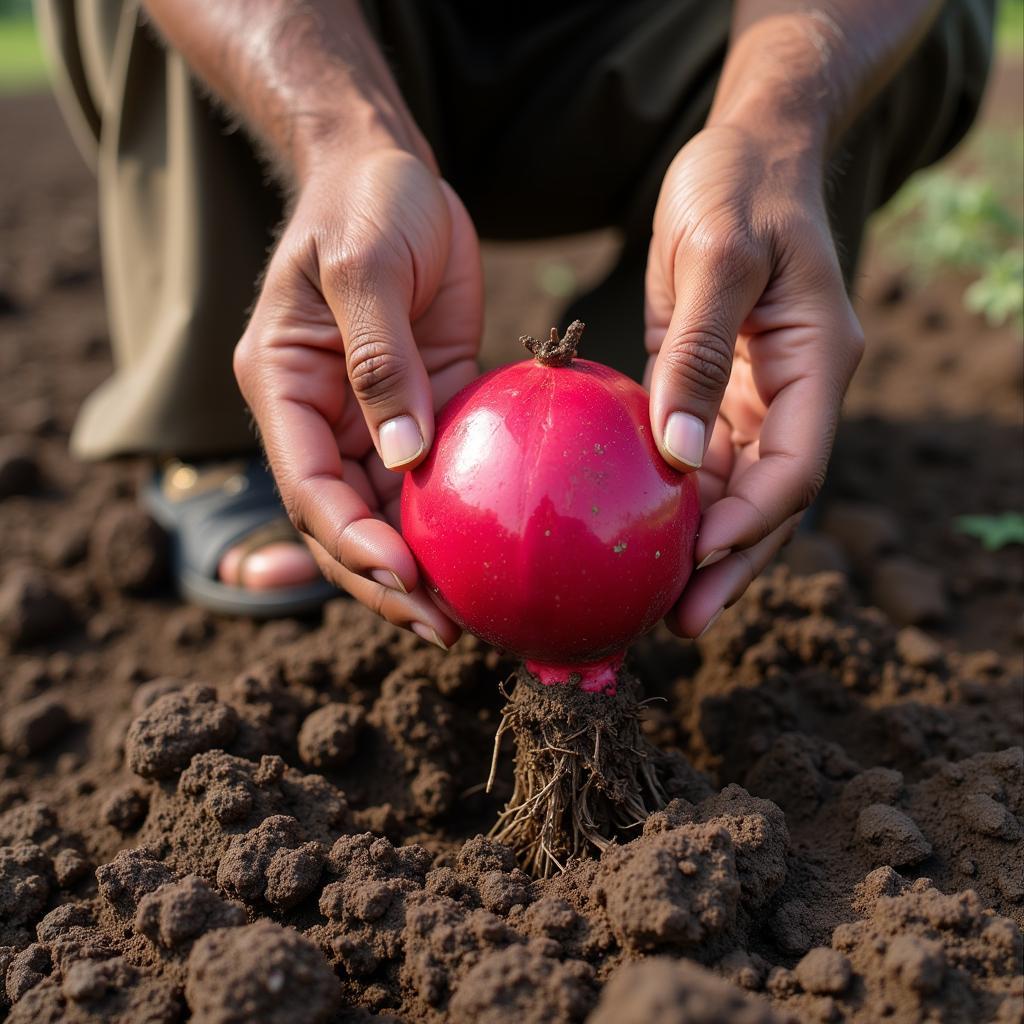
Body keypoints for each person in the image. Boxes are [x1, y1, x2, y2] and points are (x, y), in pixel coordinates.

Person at [37, 0, 994, 643]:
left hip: (661, 39)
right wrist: (340, 130)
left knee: (927, 22)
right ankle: (219, 427)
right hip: (352, 34)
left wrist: (773, 122)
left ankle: (661, 457)